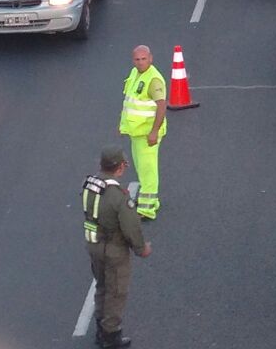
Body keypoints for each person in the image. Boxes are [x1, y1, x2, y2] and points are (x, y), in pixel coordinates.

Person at [82, 147, 151, 348]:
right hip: (114, 250)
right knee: (116, 292)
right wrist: (141, 249)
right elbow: (131, 228)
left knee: (102, 286)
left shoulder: (90, 186)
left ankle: (99, 329)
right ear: (120, 168)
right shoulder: (119, 197)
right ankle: (110, 335)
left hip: (94, 243)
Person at [118, 46, 167, 220]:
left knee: (148, 170)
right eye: (137, 59)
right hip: (137, 133)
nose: (140, 62)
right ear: (133, 60)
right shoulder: (135, 73)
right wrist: (123, 125)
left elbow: (161, 106)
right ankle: (152, 201)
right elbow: (131, 101)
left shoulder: (154, 80)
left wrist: (154, 132)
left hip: (147, 134)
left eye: (144, 59)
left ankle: (147, 210)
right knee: (141, 168)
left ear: (150, 58)